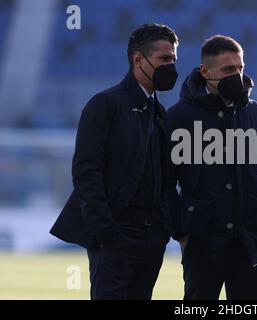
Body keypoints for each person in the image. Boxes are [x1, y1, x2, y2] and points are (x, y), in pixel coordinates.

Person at [50, 23, 179, 300]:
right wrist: (106, 232)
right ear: (138, 60)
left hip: (151, 238)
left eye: (173, 59)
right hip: (116, 238)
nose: (171, 66)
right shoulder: (104, 105)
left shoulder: (159, 112)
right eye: (164, 58)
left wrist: (163, 229)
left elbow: (166, 179)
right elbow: (86, 172)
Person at [166, 35, 257, 300]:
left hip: (255, 245)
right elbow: (164, 183)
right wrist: (182, 232)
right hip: (202, 244)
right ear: (205, 72)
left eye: (241, 68)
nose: (238, 75)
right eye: (228, 69)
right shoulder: (178, 118)